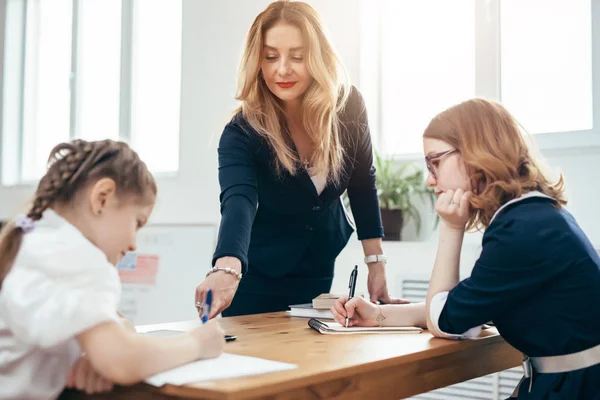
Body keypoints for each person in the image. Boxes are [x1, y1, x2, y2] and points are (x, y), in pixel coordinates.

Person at [331, 99, 600, 399]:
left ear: (476, 153)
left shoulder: (521, 231)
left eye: (436, 162)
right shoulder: (534, 216)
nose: (430, 180)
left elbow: (447, 321)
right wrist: (378, 315)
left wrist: (451, 228)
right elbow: (467, 314)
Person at [195, 0, 407, 318]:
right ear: (257, 61)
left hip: (318, 264)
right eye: (271, 57)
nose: (283, 68)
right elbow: (238, 200)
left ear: (318, 57)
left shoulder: (348, 107)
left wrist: (375, 264)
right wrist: (227, 267)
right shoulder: (241, 132)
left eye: (297, 56)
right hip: (257, 276)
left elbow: (363, 182)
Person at [0, 139, 225, 399]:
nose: (132, 244)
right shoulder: (76, 255)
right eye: (137, 223)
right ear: (102, 198)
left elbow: (114, 330)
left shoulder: (36, 240)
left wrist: (97, 353)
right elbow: (121, 360)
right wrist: (197, 343)